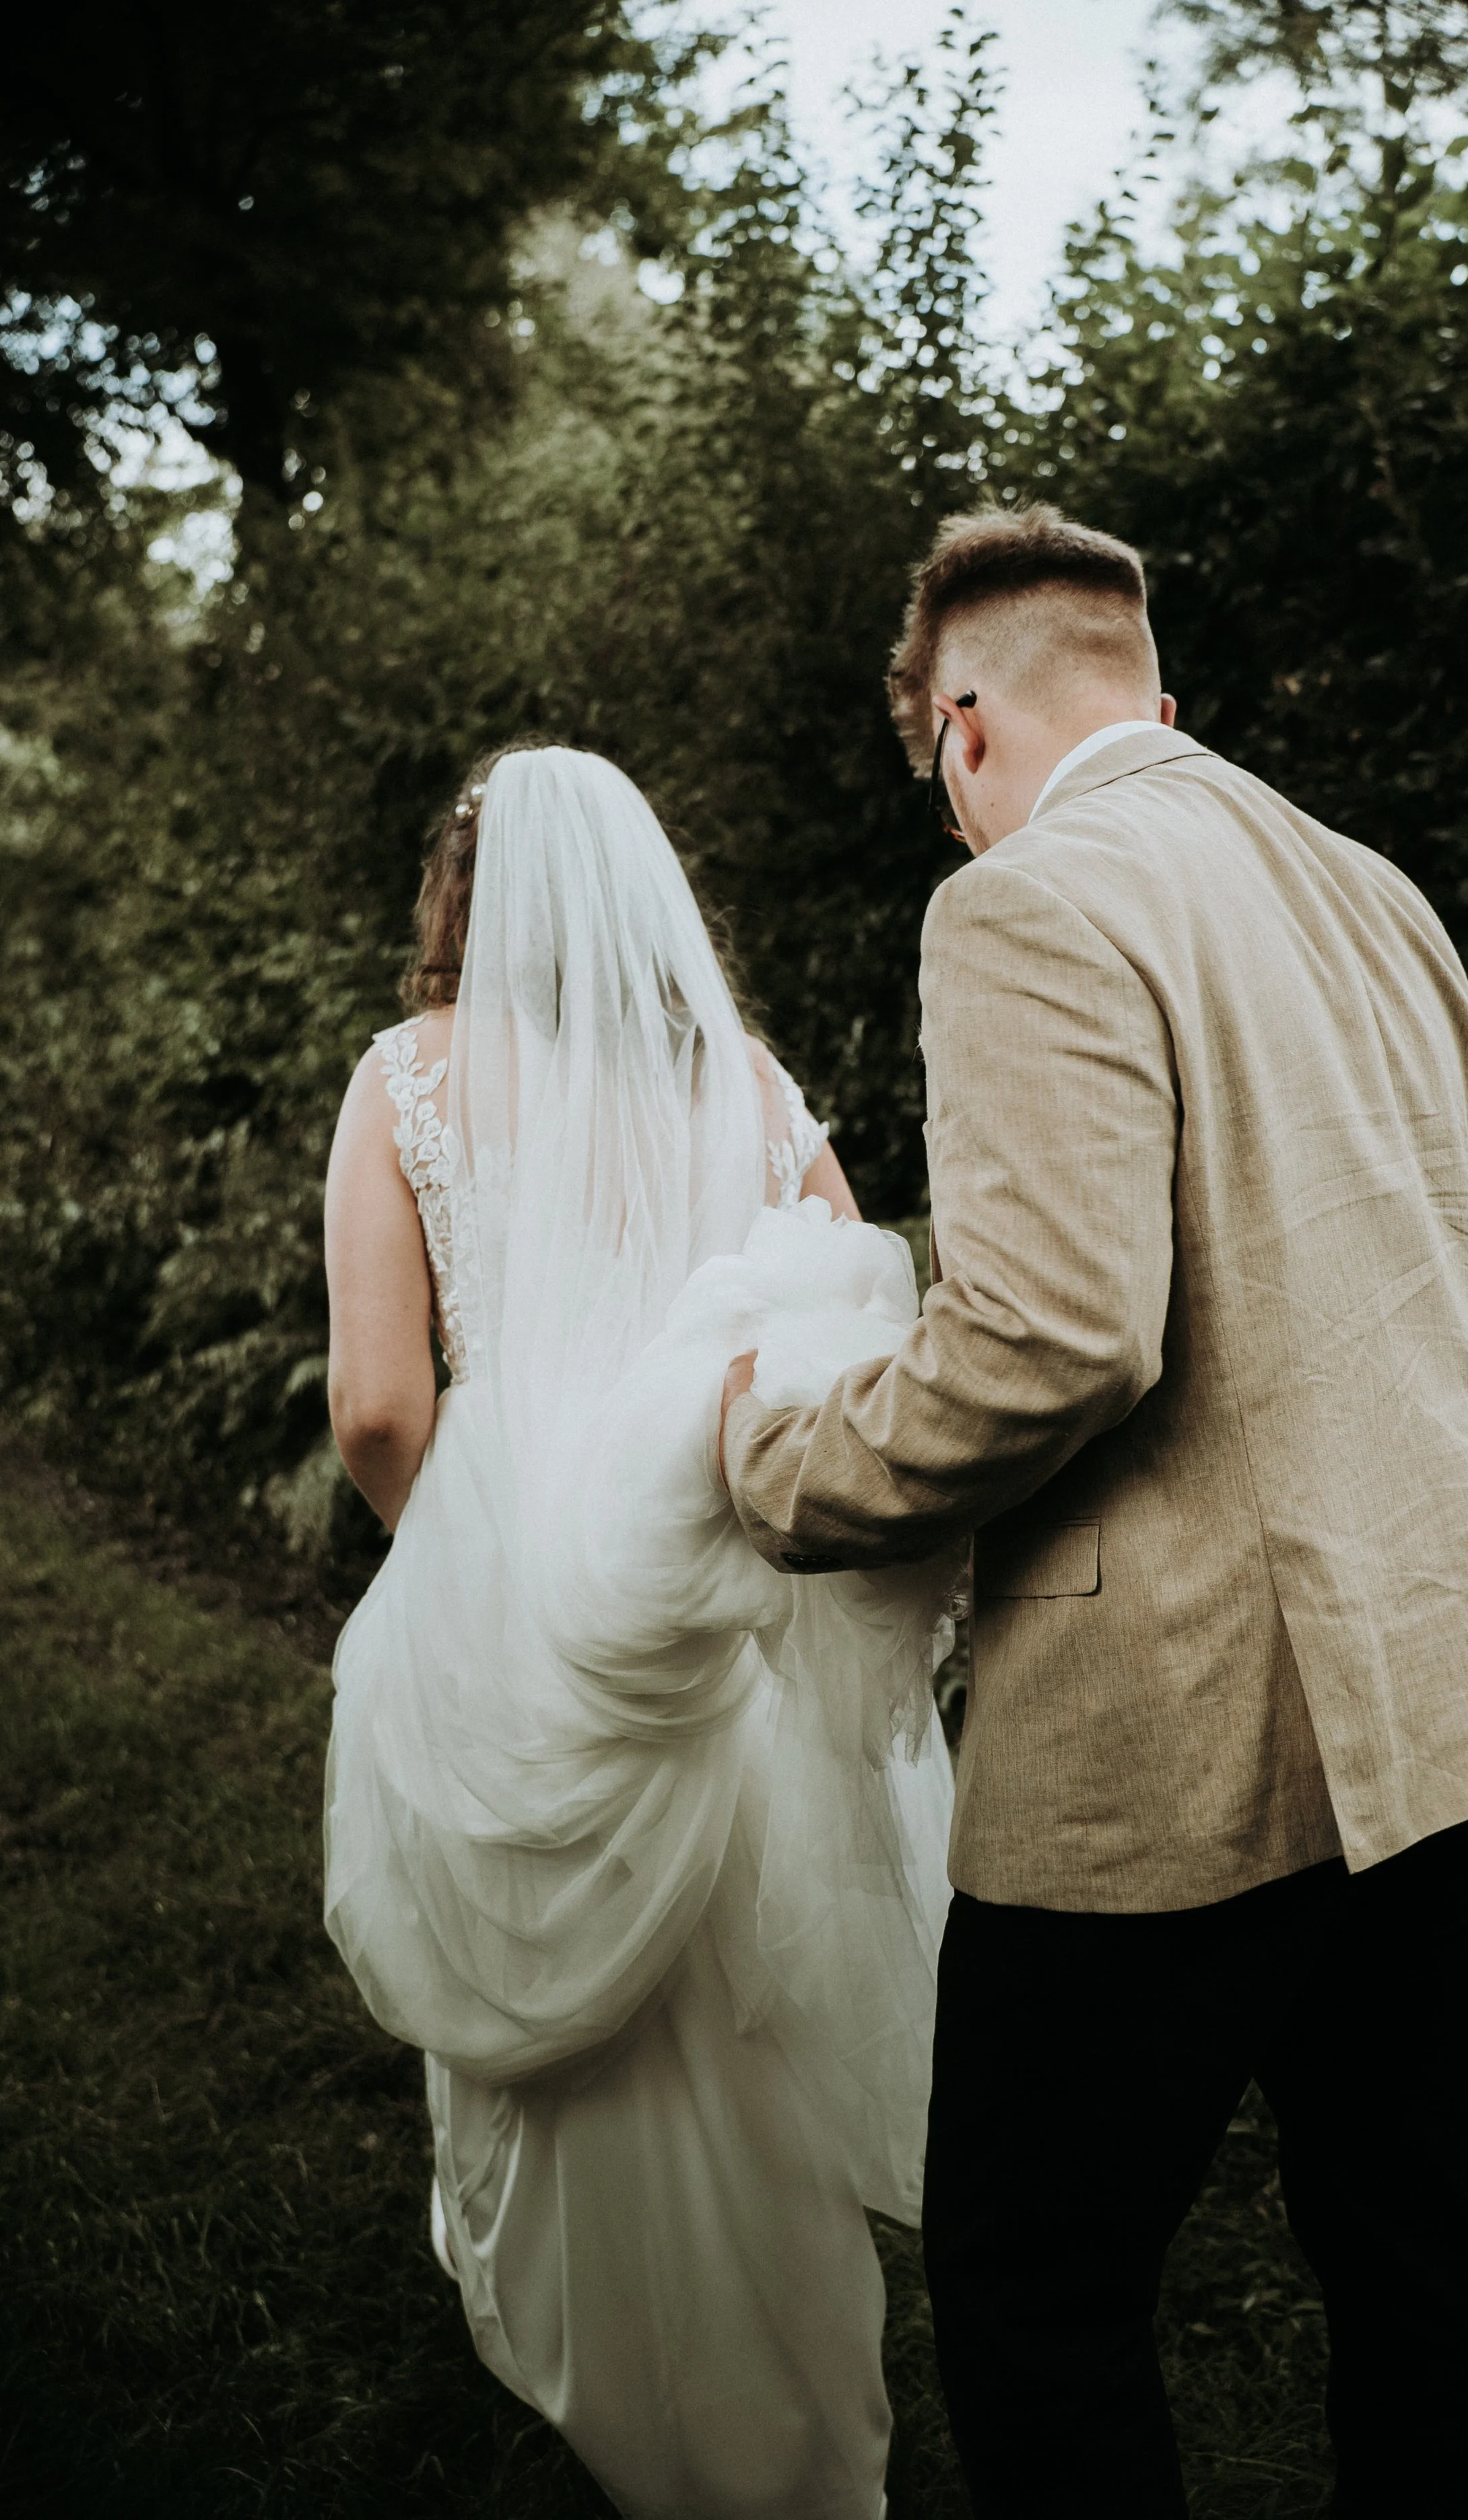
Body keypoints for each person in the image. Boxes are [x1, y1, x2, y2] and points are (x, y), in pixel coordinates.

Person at [718, 504, 1468, 2517]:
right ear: (1150, 693)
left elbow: (1051, 1339)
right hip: (1437, 1670)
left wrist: (785, 1463)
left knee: (1039, 2288)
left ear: (962, 730)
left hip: (1178, 1727)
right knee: (1411, 2240)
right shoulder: (1367, 885)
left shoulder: (1025, 900)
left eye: (935, 779)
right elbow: (1466, 1283)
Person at [321, 742, 956, 2520]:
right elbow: (854, 1317)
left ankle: (606, 2378)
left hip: (521, 1573)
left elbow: (377, 1408)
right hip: (722, 1586)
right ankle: (799, 2423)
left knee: (559, 1966)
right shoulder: (749, 1084)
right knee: (740, 1985)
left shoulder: (407, 1077)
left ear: (459, 899)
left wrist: (453, 1563)